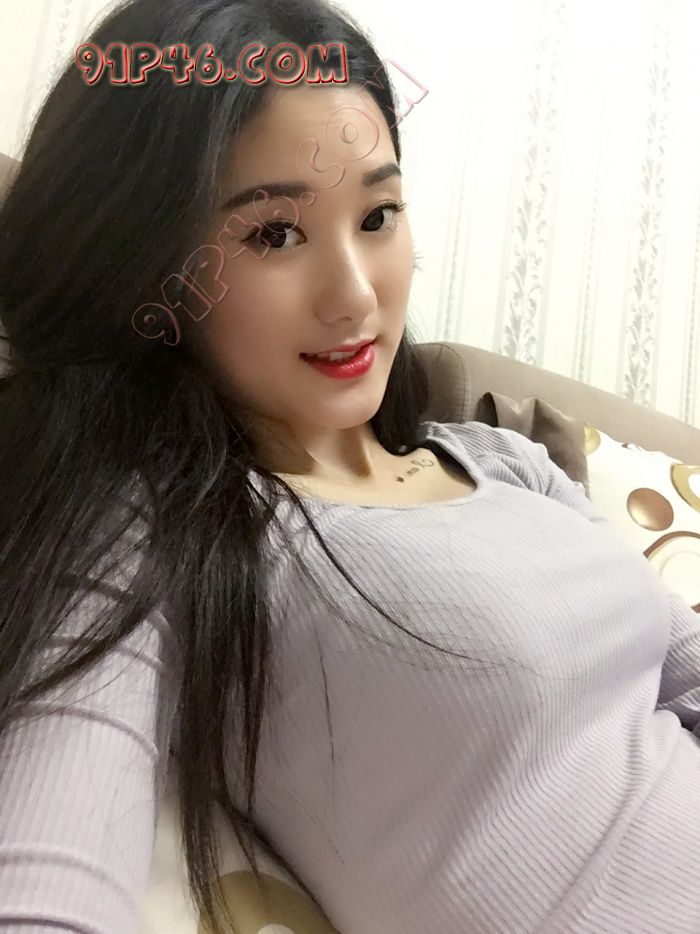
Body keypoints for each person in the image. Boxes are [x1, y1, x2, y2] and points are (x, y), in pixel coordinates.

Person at [0, 0, 698, 932]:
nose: (356, 296)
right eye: (273, 234)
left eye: (377, 215)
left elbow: (685, 675)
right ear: (143, 268)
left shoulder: (509, 462)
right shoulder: (162, 528)